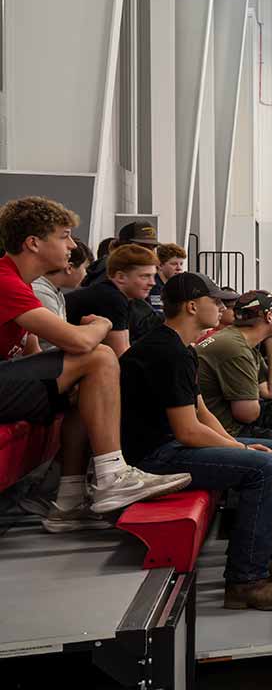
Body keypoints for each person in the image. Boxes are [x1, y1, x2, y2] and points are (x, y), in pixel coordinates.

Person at [0, 196, 192, 531]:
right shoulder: (5, 280)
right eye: (64, 236)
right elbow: (79, 342)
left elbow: (31, 353)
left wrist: (69, 383)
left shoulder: (21, 283)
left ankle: (70, 500)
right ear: (33, 242)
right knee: (99, 355)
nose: (72, 245)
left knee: (85, 386)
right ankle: (112, 474)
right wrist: (100, 325)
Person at [122, 272, 272, 609]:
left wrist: (242, 447)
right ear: (192, 307)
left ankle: (257, 553)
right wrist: (240, 448)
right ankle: (246, 581)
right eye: (215, 301)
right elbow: (188, 431)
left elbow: (202, 411)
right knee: (264, 466)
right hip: (153, 456)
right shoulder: (168, 352)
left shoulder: (181, 346)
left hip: (169, 444)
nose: (223, 307)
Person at [197, 291, 272, 455]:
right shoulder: (235, 348)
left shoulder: (239, 339)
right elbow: (247, 413)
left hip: (227, 417)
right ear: (269, 316)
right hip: (226, 428)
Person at [65, 244, 162, 353]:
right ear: (120, 277)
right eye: (145, 276)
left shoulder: (116, 295)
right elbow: (121, 355)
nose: (152, 283)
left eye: (153, 276)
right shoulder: (111, 299)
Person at [31, 243, 88, 319]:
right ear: (69, 268)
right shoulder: (42, 294)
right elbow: (53, 330)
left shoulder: (55, 292)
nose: (86, 273)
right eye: (85, 268)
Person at [151, 244, 188, 317]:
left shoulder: (177, 285)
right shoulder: (153, 286)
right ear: (160, 265)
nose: (179, 268)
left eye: (181, 264)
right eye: (174, 264)